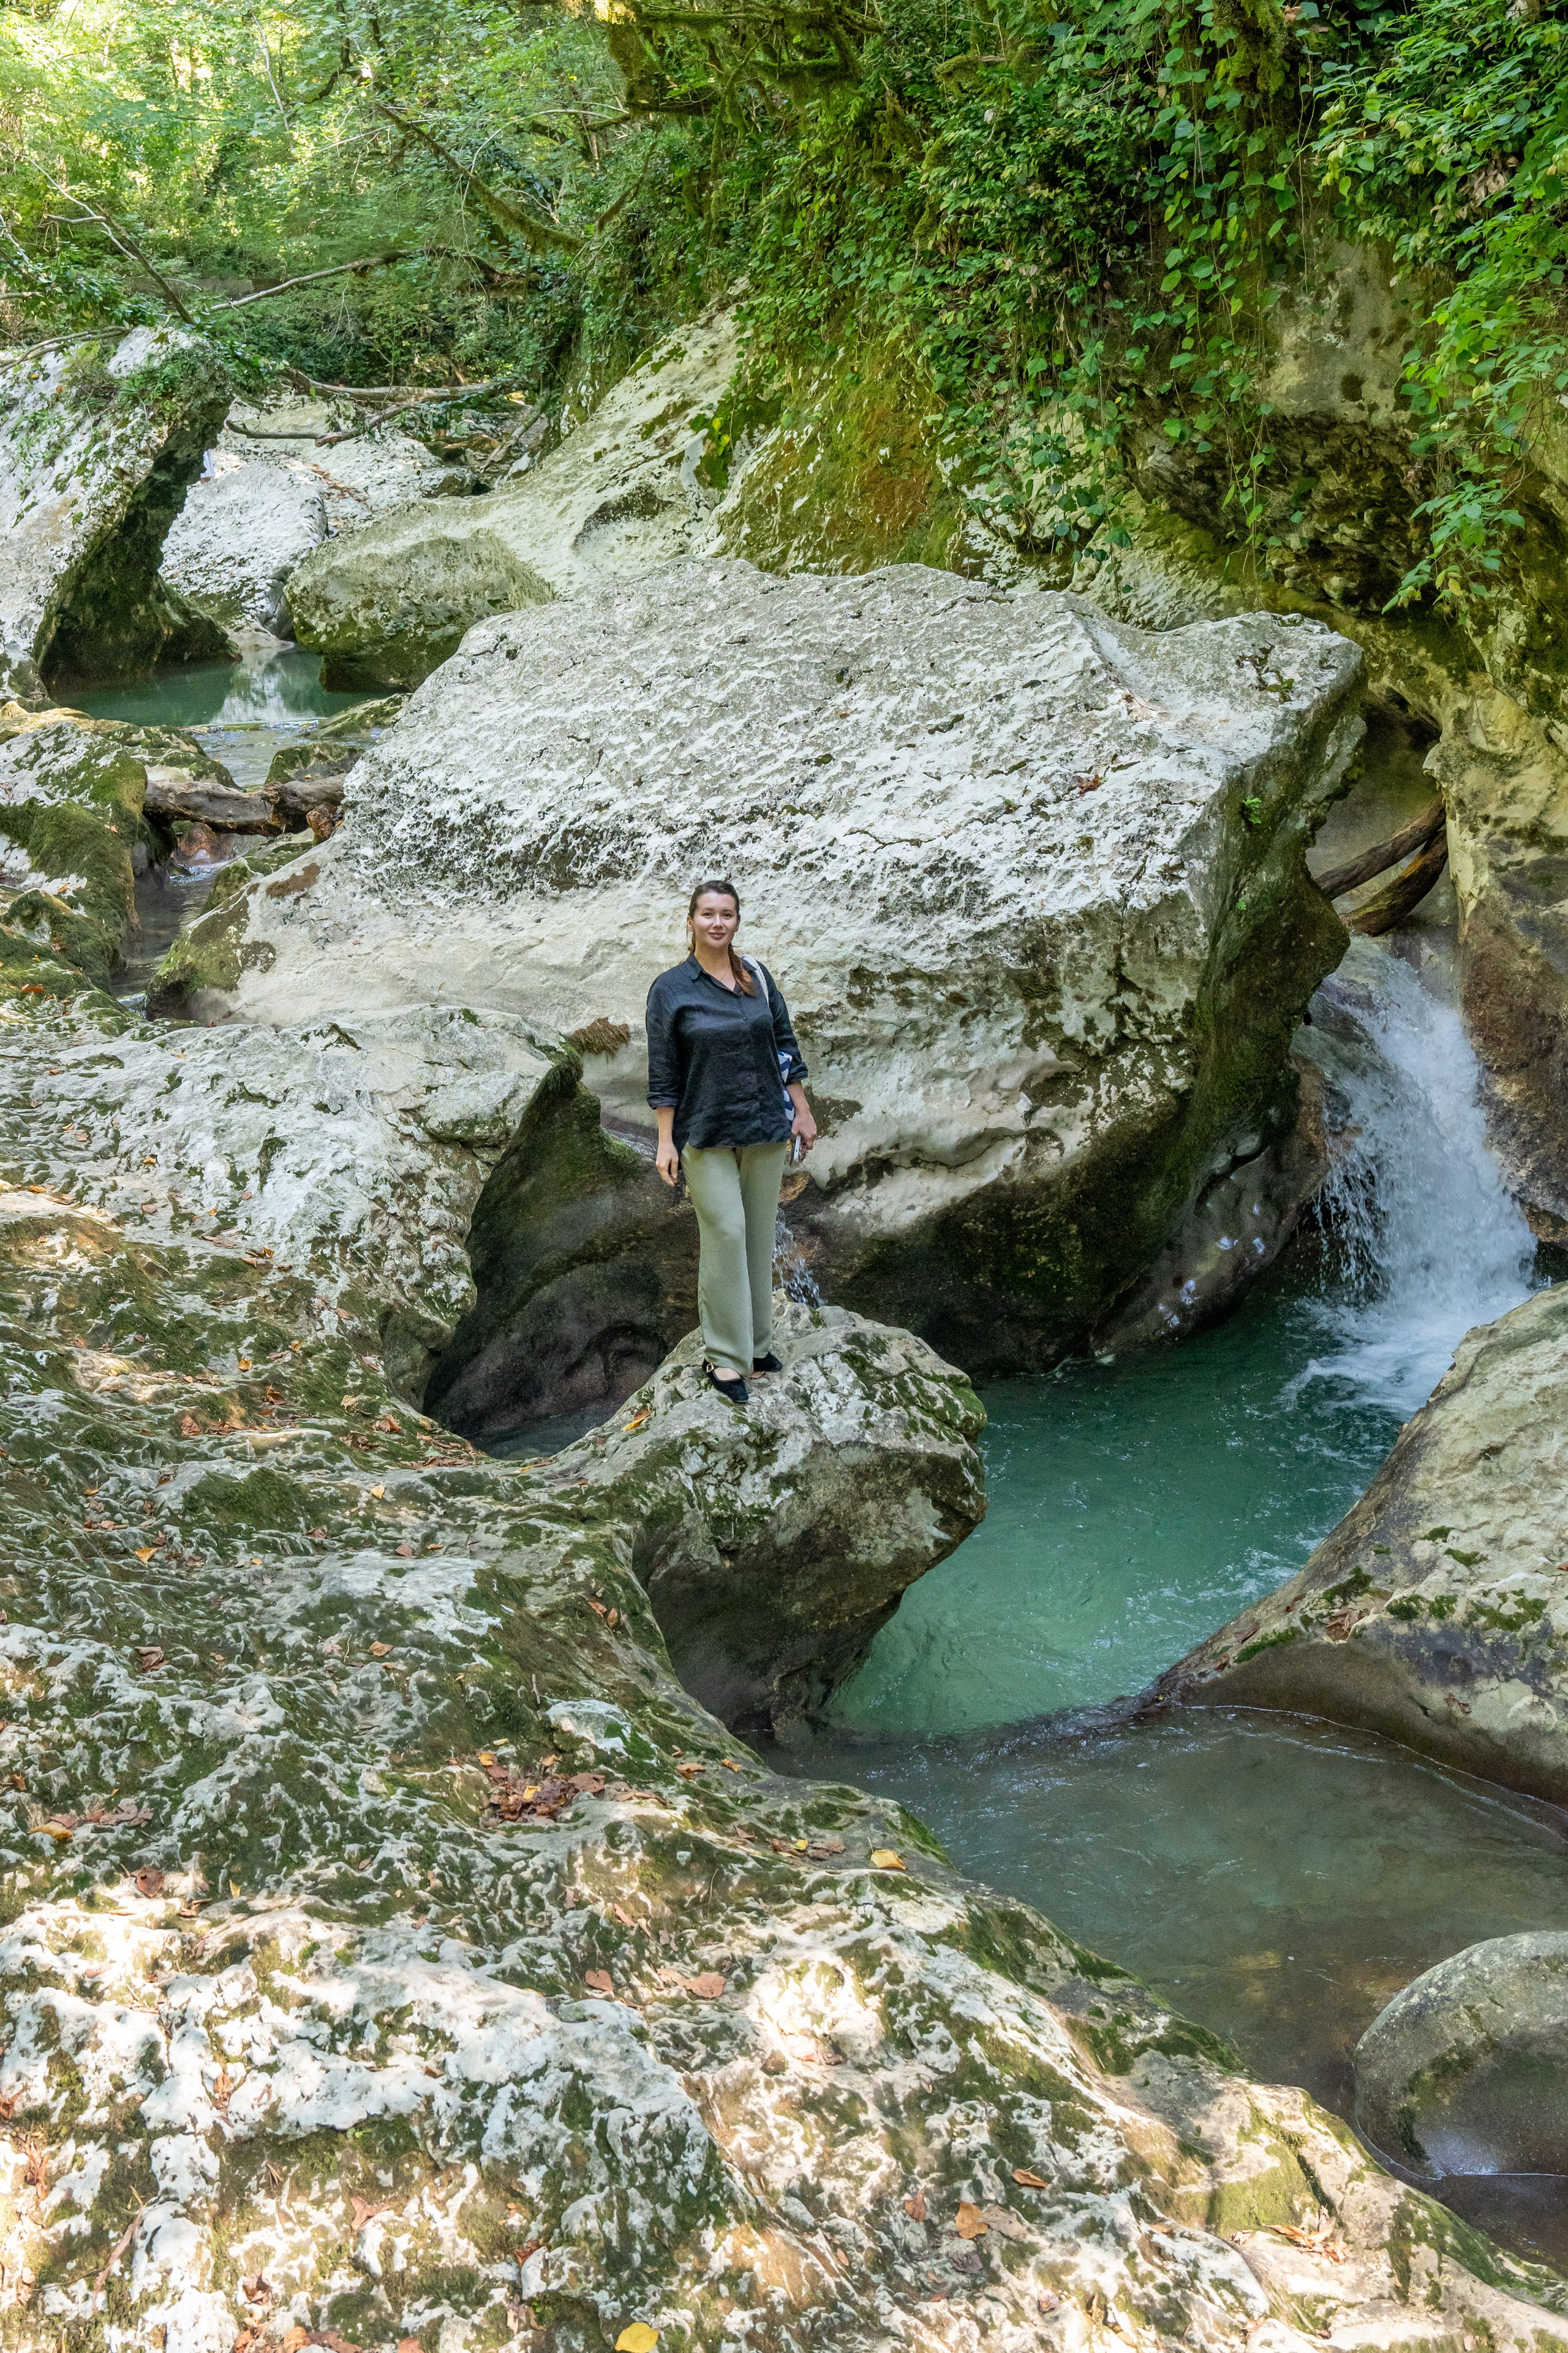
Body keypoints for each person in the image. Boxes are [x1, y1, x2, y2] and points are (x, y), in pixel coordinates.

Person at [646, 879, 817, 1404]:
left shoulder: (757, 977)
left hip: (764, 1124)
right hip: (706, 1131)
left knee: (759, 1235)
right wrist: (665, 1141)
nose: (717, 922)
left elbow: (784, 1044)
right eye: (707, 914)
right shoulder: (671, 989)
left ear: (737, 921)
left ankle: (757, 1348)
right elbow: (663, 1071)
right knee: (726, 1231)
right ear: (691, 921)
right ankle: (723, 1356)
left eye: (727, 914)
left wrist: (803, 1110)